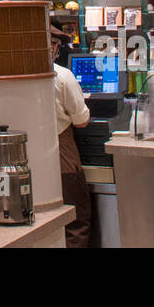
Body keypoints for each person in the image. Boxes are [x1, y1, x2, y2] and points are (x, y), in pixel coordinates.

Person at [50, 26, 92, 247]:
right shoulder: (63, 76)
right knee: (75, 222)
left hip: (27, 159)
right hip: (62, 157)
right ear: (55, 47)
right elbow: (81, 120)